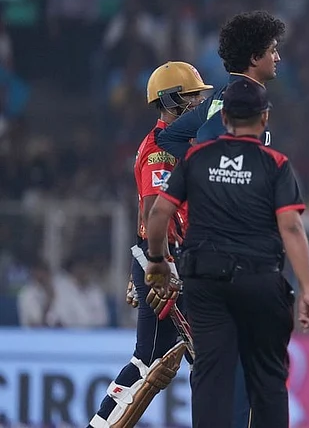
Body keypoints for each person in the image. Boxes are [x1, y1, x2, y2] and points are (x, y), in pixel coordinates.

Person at [144, 78, 309, 428]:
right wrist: (307, 288)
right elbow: (290, 227)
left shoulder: (196, 157)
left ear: (223, 120)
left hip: (206, 283)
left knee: (211, 373)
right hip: (259, 280)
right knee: (269, 376)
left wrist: (157, 261)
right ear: (265, 119)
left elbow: (159, 213)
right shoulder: (276, 163)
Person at [88, 61, 213, 428]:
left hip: (171, 264)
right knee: (152, 362)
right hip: (168, 268)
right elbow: (155, 211)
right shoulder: (161, 149)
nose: (199, 105)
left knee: (195, 361)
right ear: (173, 100)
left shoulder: (181, 145)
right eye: (193, 98)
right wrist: (160, 268)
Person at [156, 10, 284, 158]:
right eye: (273, 51)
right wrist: (206, 166)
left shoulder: (215, 101)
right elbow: (203, 136)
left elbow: (168, 137)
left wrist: (199, 165)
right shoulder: (240, 102)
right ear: (255, 58)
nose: (277, 58)